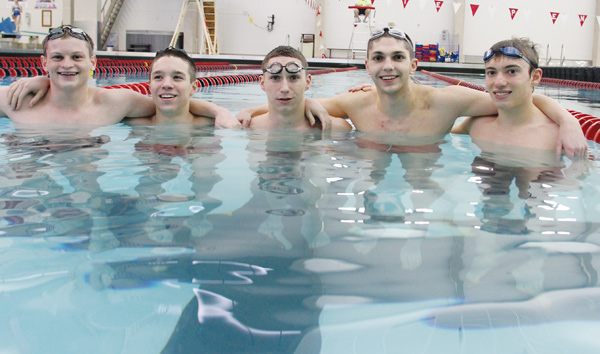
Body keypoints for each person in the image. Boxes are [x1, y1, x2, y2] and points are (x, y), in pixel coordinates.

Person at [259, 27, 585, 156]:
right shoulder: (354, 102)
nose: (388, 66)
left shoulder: (449, 101)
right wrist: (242, 113)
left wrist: (570, 122)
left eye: (398, 58)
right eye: (378, 59)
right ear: (367, 67)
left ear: (414, 66)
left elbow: (514, 100)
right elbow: (287, 104)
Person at [1, 25, 241, 129]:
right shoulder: (15, 99)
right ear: (44, 63)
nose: (67, 65)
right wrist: (41, 81)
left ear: (93, 62)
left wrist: (220, 111)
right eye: (57, 58)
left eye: (76, 57)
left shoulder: (116, 102)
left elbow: (170, 104)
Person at [451, 38, 559, 153]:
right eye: (491, 72)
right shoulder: (475, 126)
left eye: (512, 71)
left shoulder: (557, 138)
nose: (499, 82)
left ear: (535, 77)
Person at [250, 45, 351, 131]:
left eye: (293, 77)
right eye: (275, 77)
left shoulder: (337, 129)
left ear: (307, 82)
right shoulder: (249, 127)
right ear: (262, 83)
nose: (284, 88)